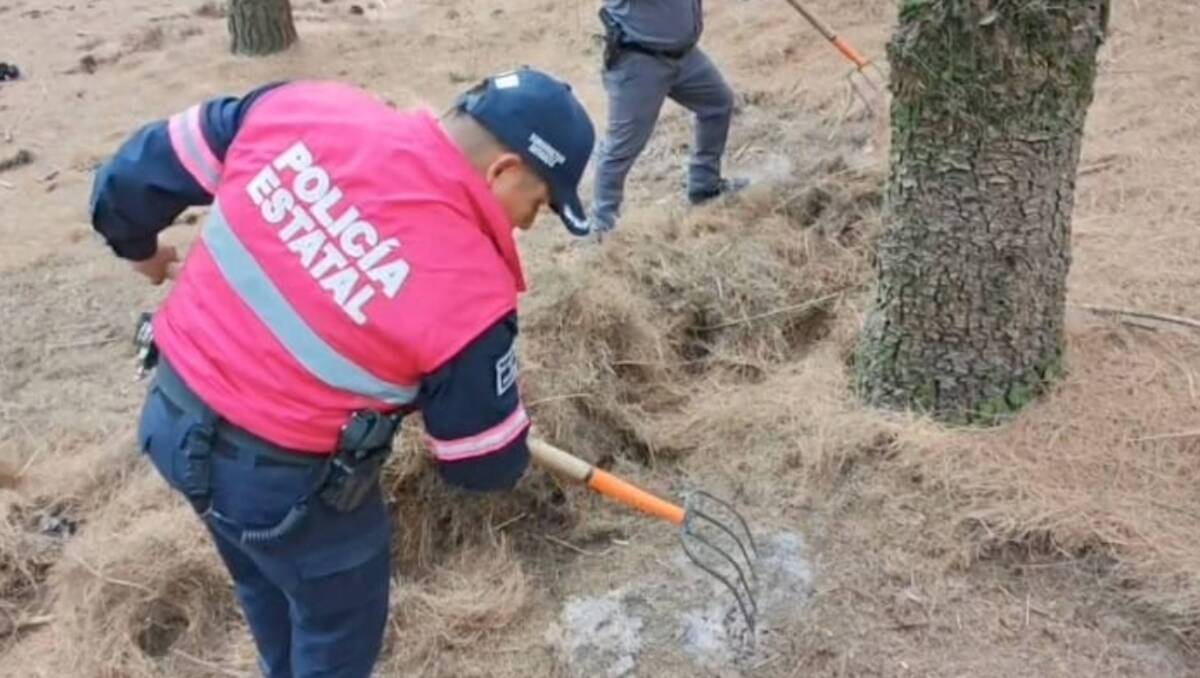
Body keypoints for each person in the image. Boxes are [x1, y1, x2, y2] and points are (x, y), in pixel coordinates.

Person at [89, 68, 595, 678]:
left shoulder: (303, 107)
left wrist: (140, 250)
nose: (528, 225)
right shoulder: (473, 295)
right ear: (503, 170)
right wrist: (499, 428)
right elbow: (482, 466)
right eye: (537, 203)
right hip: (285, 494)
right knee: (335, 628)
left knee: (262, 580)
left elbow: (130, 176)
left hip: (170, 417)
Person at [589, 0, 748, 237]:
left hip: (684, 56)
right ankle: (602, 227)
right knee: (621, 147)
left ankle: (704, 186)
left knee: (717, 104)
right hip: (639, 61)